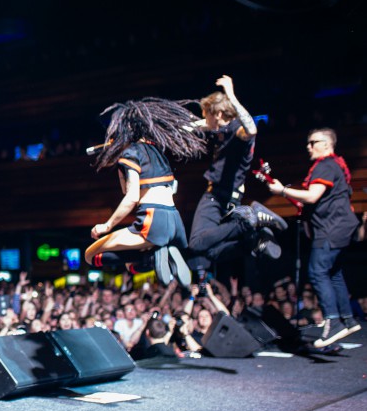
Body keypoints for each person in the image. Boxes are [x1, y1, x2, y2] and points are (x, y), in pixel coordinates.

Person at [84, 97, 206, 287]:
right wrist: (120, 168)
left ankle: (151, 257)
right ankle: (154, 254)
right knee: (130, 265)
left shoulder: (130, 153)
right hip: (174, 221)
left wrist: (107, 226)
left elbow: (131, 196)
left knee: (90, 256)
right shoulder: (156, 151)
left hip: (153, 221)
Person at [186, 75, 288, 282]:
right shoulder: (222, 128)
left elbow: (252, 129)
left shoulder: (238, 130)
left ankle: (249, 221)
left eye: (207, 116)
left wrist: (231, 95)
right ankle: (254, 241)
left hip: (217, 196)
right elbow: (198, 126)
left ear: (218, 113)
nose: (206, 121)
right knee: (210, 252)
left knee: (196, 243)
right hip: (231, 198)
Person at [265, 128, 360, 348]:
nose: (308, 147)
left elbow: (312, 196)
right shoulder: (335, 165)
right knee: (334, 273)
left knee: (317, 272)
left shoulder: (325, 165)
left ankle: (333, 322)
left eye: (313, 142)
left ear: (327, 144)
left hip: (331, 229)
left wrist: (282, 191)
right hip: (341, 228)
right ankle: (348, 319)